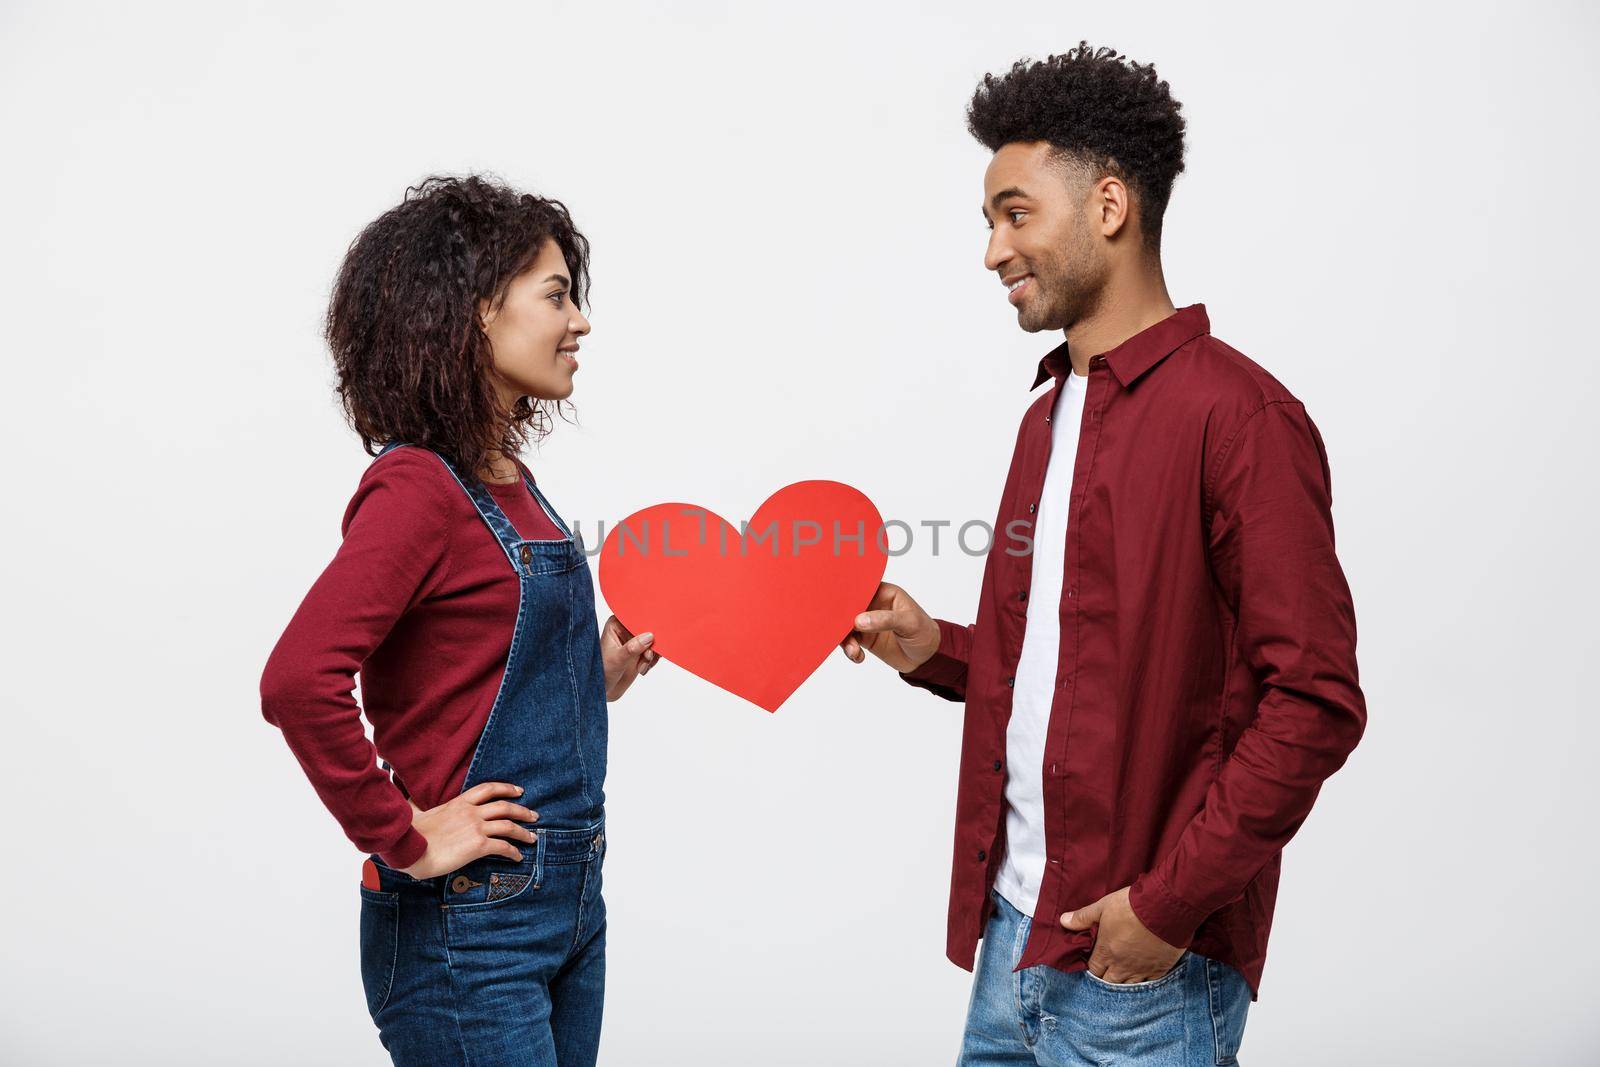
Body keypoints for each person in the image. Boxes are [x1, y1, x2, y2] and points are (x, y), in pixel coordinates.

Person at [840, 45, 1366, 1065]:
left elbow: (1313, 698)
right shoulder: (1048, 416)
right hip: (1011, 943)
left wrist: (1165, 908)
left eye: (1014, 212)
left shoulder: (1241, 418)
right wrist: (931, 649)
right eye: (989, 221)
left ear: (1110, 206)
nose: (992, 250)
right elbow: (1069, 663)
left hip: (1142, 973)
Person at [259, 175, 657, 1066]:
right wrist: (403, 836)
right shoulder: (418, 488)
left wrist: (592, 677)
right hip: (468, 925)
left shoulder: (506, 479)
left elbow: (463, 677)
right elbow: (296, 681)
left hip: (569, 906)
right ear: (476, 312)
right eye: (557, 295)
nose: (580, 322)